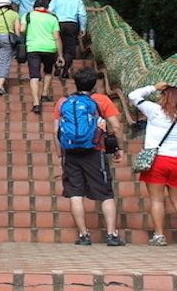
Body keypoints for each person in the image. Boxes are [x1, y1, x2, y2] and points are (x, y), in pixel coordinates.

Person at [54, 66, 125, 246]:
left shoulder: (63, 102)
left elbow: (56, 131)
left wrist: (59, 155)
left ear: (75, 83)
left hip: (70, 152)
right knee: (105, 193)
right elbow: (116, 127)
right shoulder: (101, 100)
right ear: (94, 84)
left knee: (75, 193)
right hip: (95, 151)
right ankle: (111, 235)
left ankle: (84, 235)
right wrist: (119, 148)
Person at [128, 83, 177, 246]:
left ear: (164, 98)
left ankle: (159, 236)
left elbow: (133, 96)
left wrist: (154, 87)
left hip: (158, 161)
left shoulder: (155, 111)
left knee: (157, 200)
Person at [18, 0, 61, 114]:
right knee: (48, 71)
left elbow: (22, 30)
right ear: (47, 7)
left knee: (34, 76)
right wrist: (60, 54)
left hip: (33, 48)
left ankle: (36, 103)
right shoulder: (52, 18)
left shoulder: (28, 15)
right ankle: (45, 93)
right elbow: (56, 37)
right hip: (50, 48)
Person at [49, 0, 87, 79]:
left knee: (56, 45)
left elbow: (49, 11)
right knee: (69, 49)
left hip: (58, 23)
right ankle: (65, 71)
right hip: (72, 25)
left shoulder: (55, 0)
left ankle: (57, 63)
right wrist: (83, 28)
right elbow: (82, 15)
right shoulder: (78, 1)